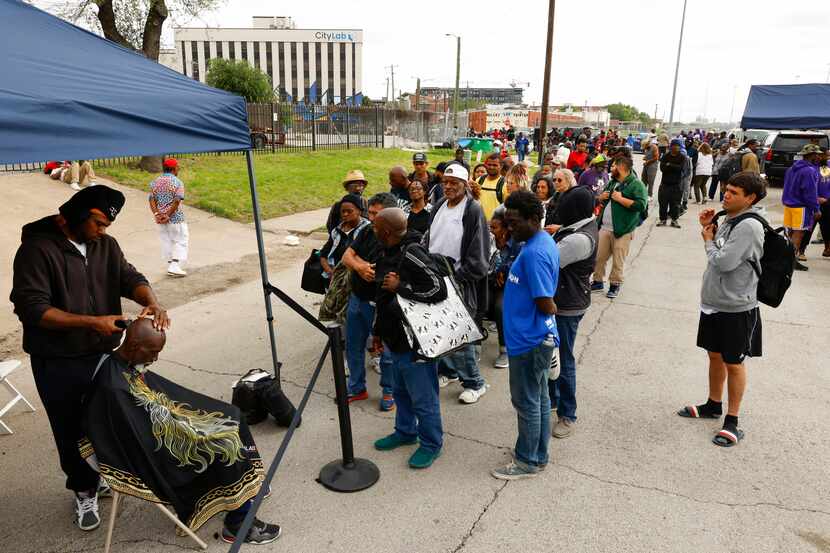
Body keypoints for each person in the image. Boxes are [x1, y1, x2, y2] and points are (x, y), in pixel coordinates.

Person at [10, 185, 169, 531]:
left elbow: (130, 277)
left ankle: (108, 473)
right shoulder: (37, 250)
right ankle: (84, 490)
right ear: (74, 216)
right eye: (98, 223)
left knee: (108, 418)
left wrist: (151, 301)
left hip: (102, 352)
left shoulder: (105, 245)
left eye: (107, 224)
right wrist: (91, 322)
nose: (103, 230)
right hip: (58, 359)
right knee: (70, 428)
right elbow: (33, 308)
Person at [82, 318, 281, 545]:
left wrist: (189, 421)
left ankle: (247, 489)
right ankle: (238, 524)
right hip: (148, 451)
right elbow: (140, 436)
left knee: (233, 416)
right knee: (225, 443)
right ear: (136, 347)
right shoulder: (114, 387)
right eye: (153, 352)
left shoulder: (126, 363)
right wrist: (194, 432)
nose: (155, 358)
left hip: (160, 423)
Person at [678, 171, 766, 448]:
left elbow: (724, 261)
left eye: (734, 192)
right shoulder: (729, 219)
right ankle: (713, 405)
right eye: (726, 189)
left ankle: (732, 421)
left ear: (750, 198)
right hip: (714, 303)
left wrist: (708, 240)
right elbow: (720, 253)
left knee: (734, 362)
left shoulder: (748, 226)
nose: (726, 195)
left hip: (737, 307)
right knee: (714, 355)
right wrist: (710, 228)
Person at [371, 208, 448, 469]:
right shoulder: (387, 250)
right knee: (400, 391)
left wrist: (400, 288)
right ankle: (405, 432)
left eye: (375, 226)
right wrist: (378, 331)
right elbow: (382, 297)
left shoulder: (412, 252)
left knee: (423, 398)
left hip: (416, 343)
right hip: (394, 339)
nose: (372, 230)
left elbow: (438, 289)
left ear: (386, 232)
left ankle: (431, 444)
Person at [491, 190, 559, 480]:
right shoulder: (535, 242)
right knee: (539, 399)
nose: (510, 228)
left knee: (527, 402)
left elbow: (546, 303)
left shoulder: (534, 253)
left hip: (529, 342)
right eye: (507, 222)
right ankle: (537, 453)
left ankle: (528, 461)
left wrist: (547, 330)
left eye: (515, 222)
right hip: (530, 338)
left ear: (534, 219)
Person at [424, 164, 490, 403]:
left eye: (454, 183)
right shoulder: (440, 205)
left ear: (465, 185)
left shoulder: (473, 210)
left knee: (461, 336)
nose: (449, 187)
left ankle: (475, 383)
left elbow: (478, 255)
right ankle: (449, 372)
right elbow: (430, 237)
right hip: (436, 279)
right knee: (440, 330)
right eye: (446, 182)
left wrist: (457, 278)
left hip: (458, 282)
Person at [341, 193, 399, 409]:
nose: (371, 217)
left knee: (386, 352)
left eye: (376, 214)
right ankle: (357, 388)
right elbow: (347, 256)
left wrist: (360, 262)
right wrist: (359, 266)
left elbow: (381, 272)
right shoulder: (366, 230)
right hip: (357, 299)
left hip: (382, 305)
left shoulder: (396, 237)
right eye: (370, 212)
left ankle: (389, 392)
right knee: (353, 346)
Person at [549, 188, 598, 440]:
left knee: (563, 358)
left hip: (567, 306)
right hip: (567, 300)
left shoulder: (578, 239)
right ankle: (554, 399)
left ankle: (568, 414)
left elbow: (548, 261)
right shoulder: (581, 225)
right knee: (552, 355)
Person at [590, 156, 648, 299]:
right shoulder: (613, 182)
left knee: (618, 259)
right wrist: (601, 197)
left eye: (614, 166)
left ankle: (615, 284)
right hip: (604, 227)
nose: (611, 168)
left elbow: (641, 205)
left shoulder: (636, 184)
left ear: (622, 167)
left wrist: (620, 198)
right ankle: (597, 281)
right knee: (599, 257)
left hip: (623, 230)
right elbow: (605, 199)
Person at [488, 208, 522, 369]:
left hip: (508, 285)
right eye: (490, 227)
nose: (491, 230)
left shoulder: (516, 243)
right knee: (478, 302)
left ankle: (505, 349)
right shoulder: (488, 240)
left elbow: (517, 265)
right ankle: (474, 345)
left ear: (505, 229)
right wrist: (495, 273)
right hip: (489, 281)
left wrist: (502, 270)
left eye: (494, 228)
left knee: (500, 308)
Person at [782, 144, 822, 271]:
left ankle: (786, 259)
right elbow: (810, 192)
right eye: (817, 154)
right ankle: (791, 261)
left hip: (789, 205)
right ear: (812, 155)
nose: (819, 156)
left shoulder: (792, 168)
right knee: (798, 234)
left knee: (790, 233)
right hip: (801, 207)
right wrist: (816, 208)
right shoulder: (809, 171)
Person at [148, 158, 189, 277]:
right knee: (180, 240)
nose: (178, 170)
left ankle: (171, 265)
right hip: (175, 218)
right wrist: (168, 215)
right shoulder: (178, 182)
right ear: (174, 169)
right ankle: (175, 266)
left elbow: (151, 200)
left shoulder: (155, 182)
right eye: (178, 168)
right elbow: (176, 201)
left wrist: (157, 214)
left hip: (160, 219)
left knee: (167, 241)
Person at [319, 194, 370, 283]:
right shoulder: (336, 231)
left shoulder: (368, 229)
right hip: (336, 278)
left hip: (358, 280)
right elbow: (323, 256)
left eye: (349, 211)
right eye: (343, 211)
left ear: (359, 211)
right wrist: (330, 272)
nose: (345, 214)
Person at [545, 168, 593, 235]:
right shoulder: (556, 195)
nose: (556, 182)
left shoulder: (574, 197)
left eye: (559, 180)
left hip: (566, 235)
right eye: (554, 180)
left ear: (568, 181)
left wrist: (560, 228)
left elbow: (578, 221)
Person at [658, 139, 689, 228]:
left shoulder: (682, 157)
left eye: (677, 146)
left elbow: (681, 168)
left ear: (680, 147)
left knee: (675, 204)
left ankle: (674, 220)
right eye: (673, 145)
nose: (675, 147)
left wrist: (669, 165)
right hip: (665, 184)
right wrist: (673, 166)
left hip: (677, 184)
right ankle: (663, 220)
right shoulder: (665, 156)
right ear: (671, 146)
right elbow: (662, 168)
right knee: (663, 203)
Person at [477, 153, 505, 220]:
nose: (491, 167)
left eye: (495, 165)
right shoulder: (479, 181)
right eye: (489, 165)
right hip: (478, 222)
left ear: (501, 166)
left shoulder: (505, 184)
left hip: (495, 225)